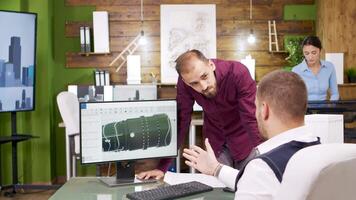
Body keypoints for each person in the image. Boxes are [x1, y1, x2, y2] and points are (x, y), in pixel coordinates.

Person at [183, 71, 320, 199]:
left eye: (255, 106)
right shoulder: (319, 150)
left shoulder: (262, 168)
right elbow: (259, 182)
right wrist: (216, 169)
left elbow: (258, 179)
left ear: (264, 110)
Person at [137, 49, 262, 180]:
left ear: (211, 65)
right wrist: (162, 168)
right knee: (216, 190)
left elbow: (251, 118)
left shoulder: (238, 72)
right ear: (185, 82)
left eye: (205, 76)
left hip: (245, 141)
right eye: (194, 83)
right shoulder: (185, 84)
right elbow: (181, 122)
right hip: (216, 144)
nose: (203, 86)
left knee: (250, 184)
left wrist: (264, 156)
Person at [292, 36, 339, 101]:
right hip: (304, 109)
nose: (310, 57)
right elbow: (294, 96)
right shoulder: (296, 70)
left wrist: (331, 107)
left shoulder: (329, 67)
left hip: (324, 109)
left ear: (320, 51)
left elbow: (335, 94)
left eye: (314, 53)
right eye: (307, 53)